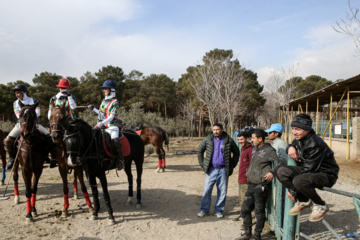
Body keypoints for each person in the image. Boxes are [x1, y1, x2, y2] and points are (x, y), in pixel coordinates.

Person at [273, 113, 339, 222]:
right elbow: (293, 144)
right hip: (312, 170)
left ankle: (320, 205)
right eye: (293, 128)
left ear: (307, 130)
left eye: (297, 129)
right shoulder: (300, 138)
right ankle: (304, 200)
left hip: (326, 174)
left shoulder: (314, 143)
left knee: (299, 180)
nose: (294, 132)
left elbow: (309, 170)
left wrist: (293, 191)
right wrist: (291, 147)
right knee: (279, 170)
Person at [240, 129, 280, 240]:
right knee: (245, 210)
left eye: (253, 138)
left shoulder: (269, 150)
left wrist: (272, 172)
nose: (251, 140)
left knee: (259, 212)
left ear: (260, 139)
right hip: (252, 184)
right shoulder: (255, 149)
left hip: (262, 186)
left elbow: (280, 163)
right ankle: (248, 234)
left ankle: (257, 236)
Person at [4, 84, 54, 170]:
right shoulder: (15, 103)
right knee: (8, 140)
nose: (17, 95)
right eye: (16, 93)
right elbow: (17, 115)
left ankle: (49, 157)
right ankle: (12, 158)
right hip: (20, 125)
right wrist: (28, 114)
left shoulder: (33, 100)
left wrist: (30, 116)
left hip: (35, 125)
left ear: (24, 92)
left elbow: (38, 113)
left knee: (49, 137)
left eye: (18, 93)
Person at [197, 123, 239, 219]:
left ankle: (218, 210)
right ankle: (204, 210)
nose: (215, 131)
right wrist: (203, 165)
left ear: (222, 129)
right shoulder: (208, 139)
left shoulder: (228, 140)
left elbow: (236, 152)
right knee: (206, 190)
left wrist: (232, 165)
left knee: (222, 191)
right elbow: (199, 151)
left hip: (223, 170)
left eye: (217, 129)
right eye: (214, 129)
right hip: (211, 170)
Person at [88, 80, 124, 170]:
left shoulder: (115, 102)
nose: (104, 90)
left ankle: (120, 160)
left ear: (111, 90)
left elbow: (111, 116)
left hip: (111, 126)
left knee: (115, 140)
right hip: (101, 126)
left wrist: (101, 123)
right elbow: (101, 114)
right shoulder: (104, 101)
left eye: (106, 89)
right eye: (104, 89)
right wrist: (93, 109)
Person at [235, 131, 253, 221]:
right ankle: (243, 214)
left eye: (241, 139)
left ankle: (246, 218)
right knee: (241, 198)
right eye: (238, 140)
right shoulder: (242, 148)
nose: (240, 141)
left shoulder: (251, 150)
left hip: (247, 179)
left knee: (245, 199)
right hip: (241, 177)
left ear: (247, 139)